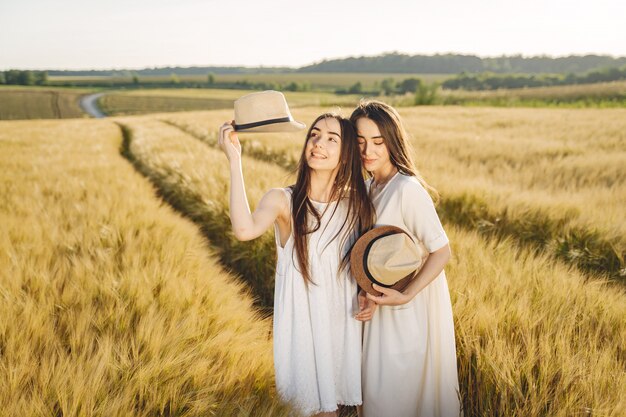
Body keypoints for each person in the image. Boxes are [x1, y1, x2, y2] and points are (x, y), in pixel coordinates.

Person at [218, 113, 374, 417]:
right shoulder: (283, 200)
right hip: (304, 329)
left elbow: (368, 258)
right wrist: (234, 162)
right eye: (314, 135)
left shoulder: (356, 203)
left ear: (346, 155)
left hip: (343, 324)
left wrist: (369, 293)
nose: (318, 143)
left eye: (332, 139)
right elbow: (244, 230)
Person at [351, 100, 461, 417]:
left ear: (392, 141)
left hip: (404, 312)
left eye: (377, 142)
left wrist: (405, 296)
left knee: (394, 396)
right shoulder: (370, 186)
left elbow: (442, 251)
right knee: (374, 396)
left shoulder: (406, 188)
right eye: (359, 142)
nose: (367, 151)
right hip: (378, 307)